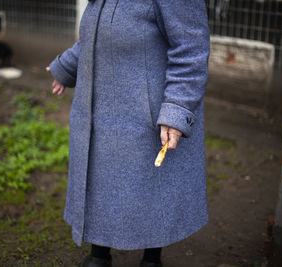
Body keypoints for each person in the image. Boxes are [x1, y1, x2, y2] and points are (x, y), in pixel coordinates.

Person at [47, 0, 210, 266]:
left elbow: (191, 49)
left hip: (149, 114)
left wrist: (177, 108)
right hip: (100, 110)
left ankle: (152, 258)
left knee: (153, 185)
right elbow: (100, 33)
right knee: (101, 178)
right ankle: (99, 253)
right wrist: (67, 66)